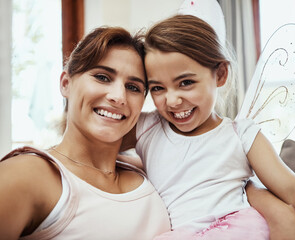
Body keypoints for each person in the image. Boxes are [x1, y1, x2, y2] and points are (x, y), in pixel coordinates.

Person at [120, 14, 295, 239]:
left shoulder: (240, 134)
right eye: (158, 88)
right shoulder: (147, 127)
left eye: (186, 82)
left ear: (220, 74)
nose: (172, 101)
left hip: (240, 230)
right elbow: (93, 145)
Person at [0, 26, 171, 240]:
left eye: (134, 87)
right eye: (102, 77)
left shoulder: (151, 172)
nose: (119, 97)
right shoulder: (27, 174)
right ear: (65, 83)